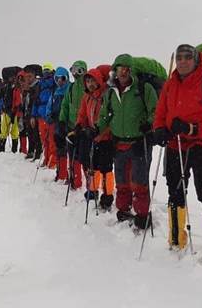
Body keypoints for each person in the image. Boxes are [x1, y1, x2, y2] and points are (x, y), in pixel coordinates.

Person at [153, 44, 202, 258]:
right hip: (174, 145)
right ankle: (176, 241)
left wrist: (192, 129)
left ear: (196, 59)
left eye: (188, 56)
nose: (183, 61)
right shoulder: (171, 84)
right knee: (175, 191)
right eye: (179, 57)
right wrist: (159, 129)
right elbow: (161, 112)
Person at [96, 54, 157, 230]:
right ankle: (123, 210)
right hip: (118, 142)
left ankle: (142, 215)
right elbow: (105, 116)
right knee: (121, 181)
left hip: (139, 142)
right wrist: (96, 129)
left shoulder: (143, 89)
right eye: (118, 69)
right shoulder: (110, 92)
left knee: (139, 182)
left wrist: (149, 124)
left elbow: (156, 110)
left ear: (131, 70)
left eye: (125, 69)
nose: (122, 73)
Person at [75, 68, 115, 210]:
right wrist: (79, 126)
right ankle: (93, 191)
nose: (90, 84)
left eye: (92, 80)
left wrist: (101, 132)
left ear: (99, 80)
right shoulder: (87, 96)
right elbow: (82, 114)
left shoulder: (106, 95)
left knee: (106, 169)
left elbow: (111, 117)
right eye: (87, 81)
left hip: (106, 138)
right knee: (93, 166)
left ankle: (108, 195)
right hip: (92, 136)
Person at [59, 60, 88, 189]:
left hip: (85, 128)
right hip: (71, 126)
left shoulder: (88, 86)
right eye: (73, 70)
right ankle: (75, 181)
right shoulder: (71, 87)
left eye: (79, 70)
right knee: (72, 155)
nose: (76, 74)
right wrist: (62, 121)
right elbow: (65, 105)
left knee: (84, 156)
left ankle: (90, 184)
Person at [46, 67, 70, 182]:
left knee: (68, 149)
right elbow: (49, 105)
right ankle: (61, 173)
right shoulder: (55, 92)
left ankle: (67, 174)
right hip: (57, 123)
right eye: (57, 79)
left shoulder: (70, 90)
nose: (60, 81)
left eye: (62, 78)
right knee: (59, 147)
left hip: (67, 124)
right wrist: (49, 115)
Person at [34, 63, 57, 168]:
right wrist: (33, 115)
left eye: (47, 71)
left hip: (51, 116)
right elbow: (36, 100)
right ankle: (47, 159)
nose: (46, 73)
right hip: (41, 116)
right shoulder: (39, 85)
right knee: (44, 140)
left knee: (52, 140)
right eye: (44, 71)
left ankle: (53, 162)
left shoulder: (55, 82)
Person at [22, 65, 42, 160]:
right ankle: (31, 151)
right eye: (27, 76)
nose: (28, 78)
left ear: (34, 76)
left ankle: (37, 153)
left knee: (35, 134)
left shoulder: (37, 86)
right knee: (30, 133)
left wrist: (33, 115)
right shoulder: (29, 88)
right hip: (28, 114)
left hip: (35, 114)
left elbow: (35, 101)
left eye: (30, 76)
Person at [0, 67, 22, 153]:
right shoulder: (5, 87)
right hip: (7, 111)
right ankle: (2, 149)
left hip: (15, 112)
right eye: (10, 77)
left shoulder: (17, 87)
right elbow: (1, 98)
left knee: (14, 131)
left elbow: (18, 100)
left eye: (13, 76)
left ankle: (13, 150)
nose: (11, 78)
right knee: (4, 130)